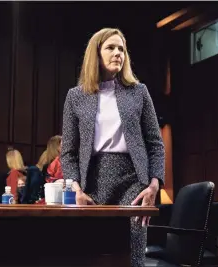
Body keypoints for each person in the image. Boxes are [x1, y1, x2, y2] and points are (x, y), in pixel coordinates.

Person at [61, 28, 165, 266]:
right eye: (110, 48)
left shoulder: (139, 92)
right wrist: (76, 189)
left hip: (133, 180)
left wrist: (154, 184)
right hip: (92, 183)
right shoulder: (75, 96)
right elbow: (68, 152)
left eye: (121, 49)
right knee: (96, 255)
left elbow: (155, 144)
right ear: (95, 54)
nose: (118, 53)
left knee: (133, 254)